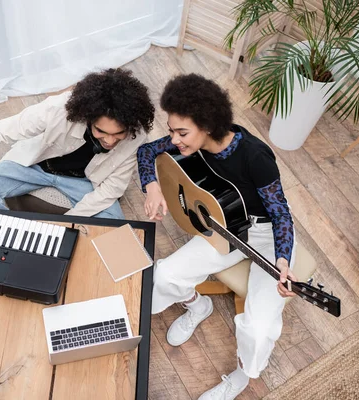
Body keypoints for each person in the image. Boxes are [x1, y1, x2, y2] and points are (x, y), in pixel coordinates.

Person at [137, 73, 297, 400]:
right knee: (164, 273)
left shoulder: (255, 155)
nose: (175, 140)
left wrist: (282, 259)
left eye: (182, 132)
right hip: (225, 223)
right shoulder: (187, 140)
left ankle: (241, 375)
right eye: (172, 131)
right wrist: (151, 186)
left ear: (207, 125)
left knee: (260, 327)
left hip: (265, 231)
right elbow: (146, 152)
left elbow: (280, 212)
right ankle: (198, 306)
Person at [0, 68, 155, 219]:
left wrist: (68, 222)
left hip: (84, 182)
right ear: (87, 116)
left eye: (117, 134)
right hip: (36, 166)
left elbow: (112, 189)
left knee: (114, 222)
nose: (110, 140)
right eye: (101, 131)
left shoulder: (137, 135)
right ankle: (6, 238)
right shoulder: (57, 110)